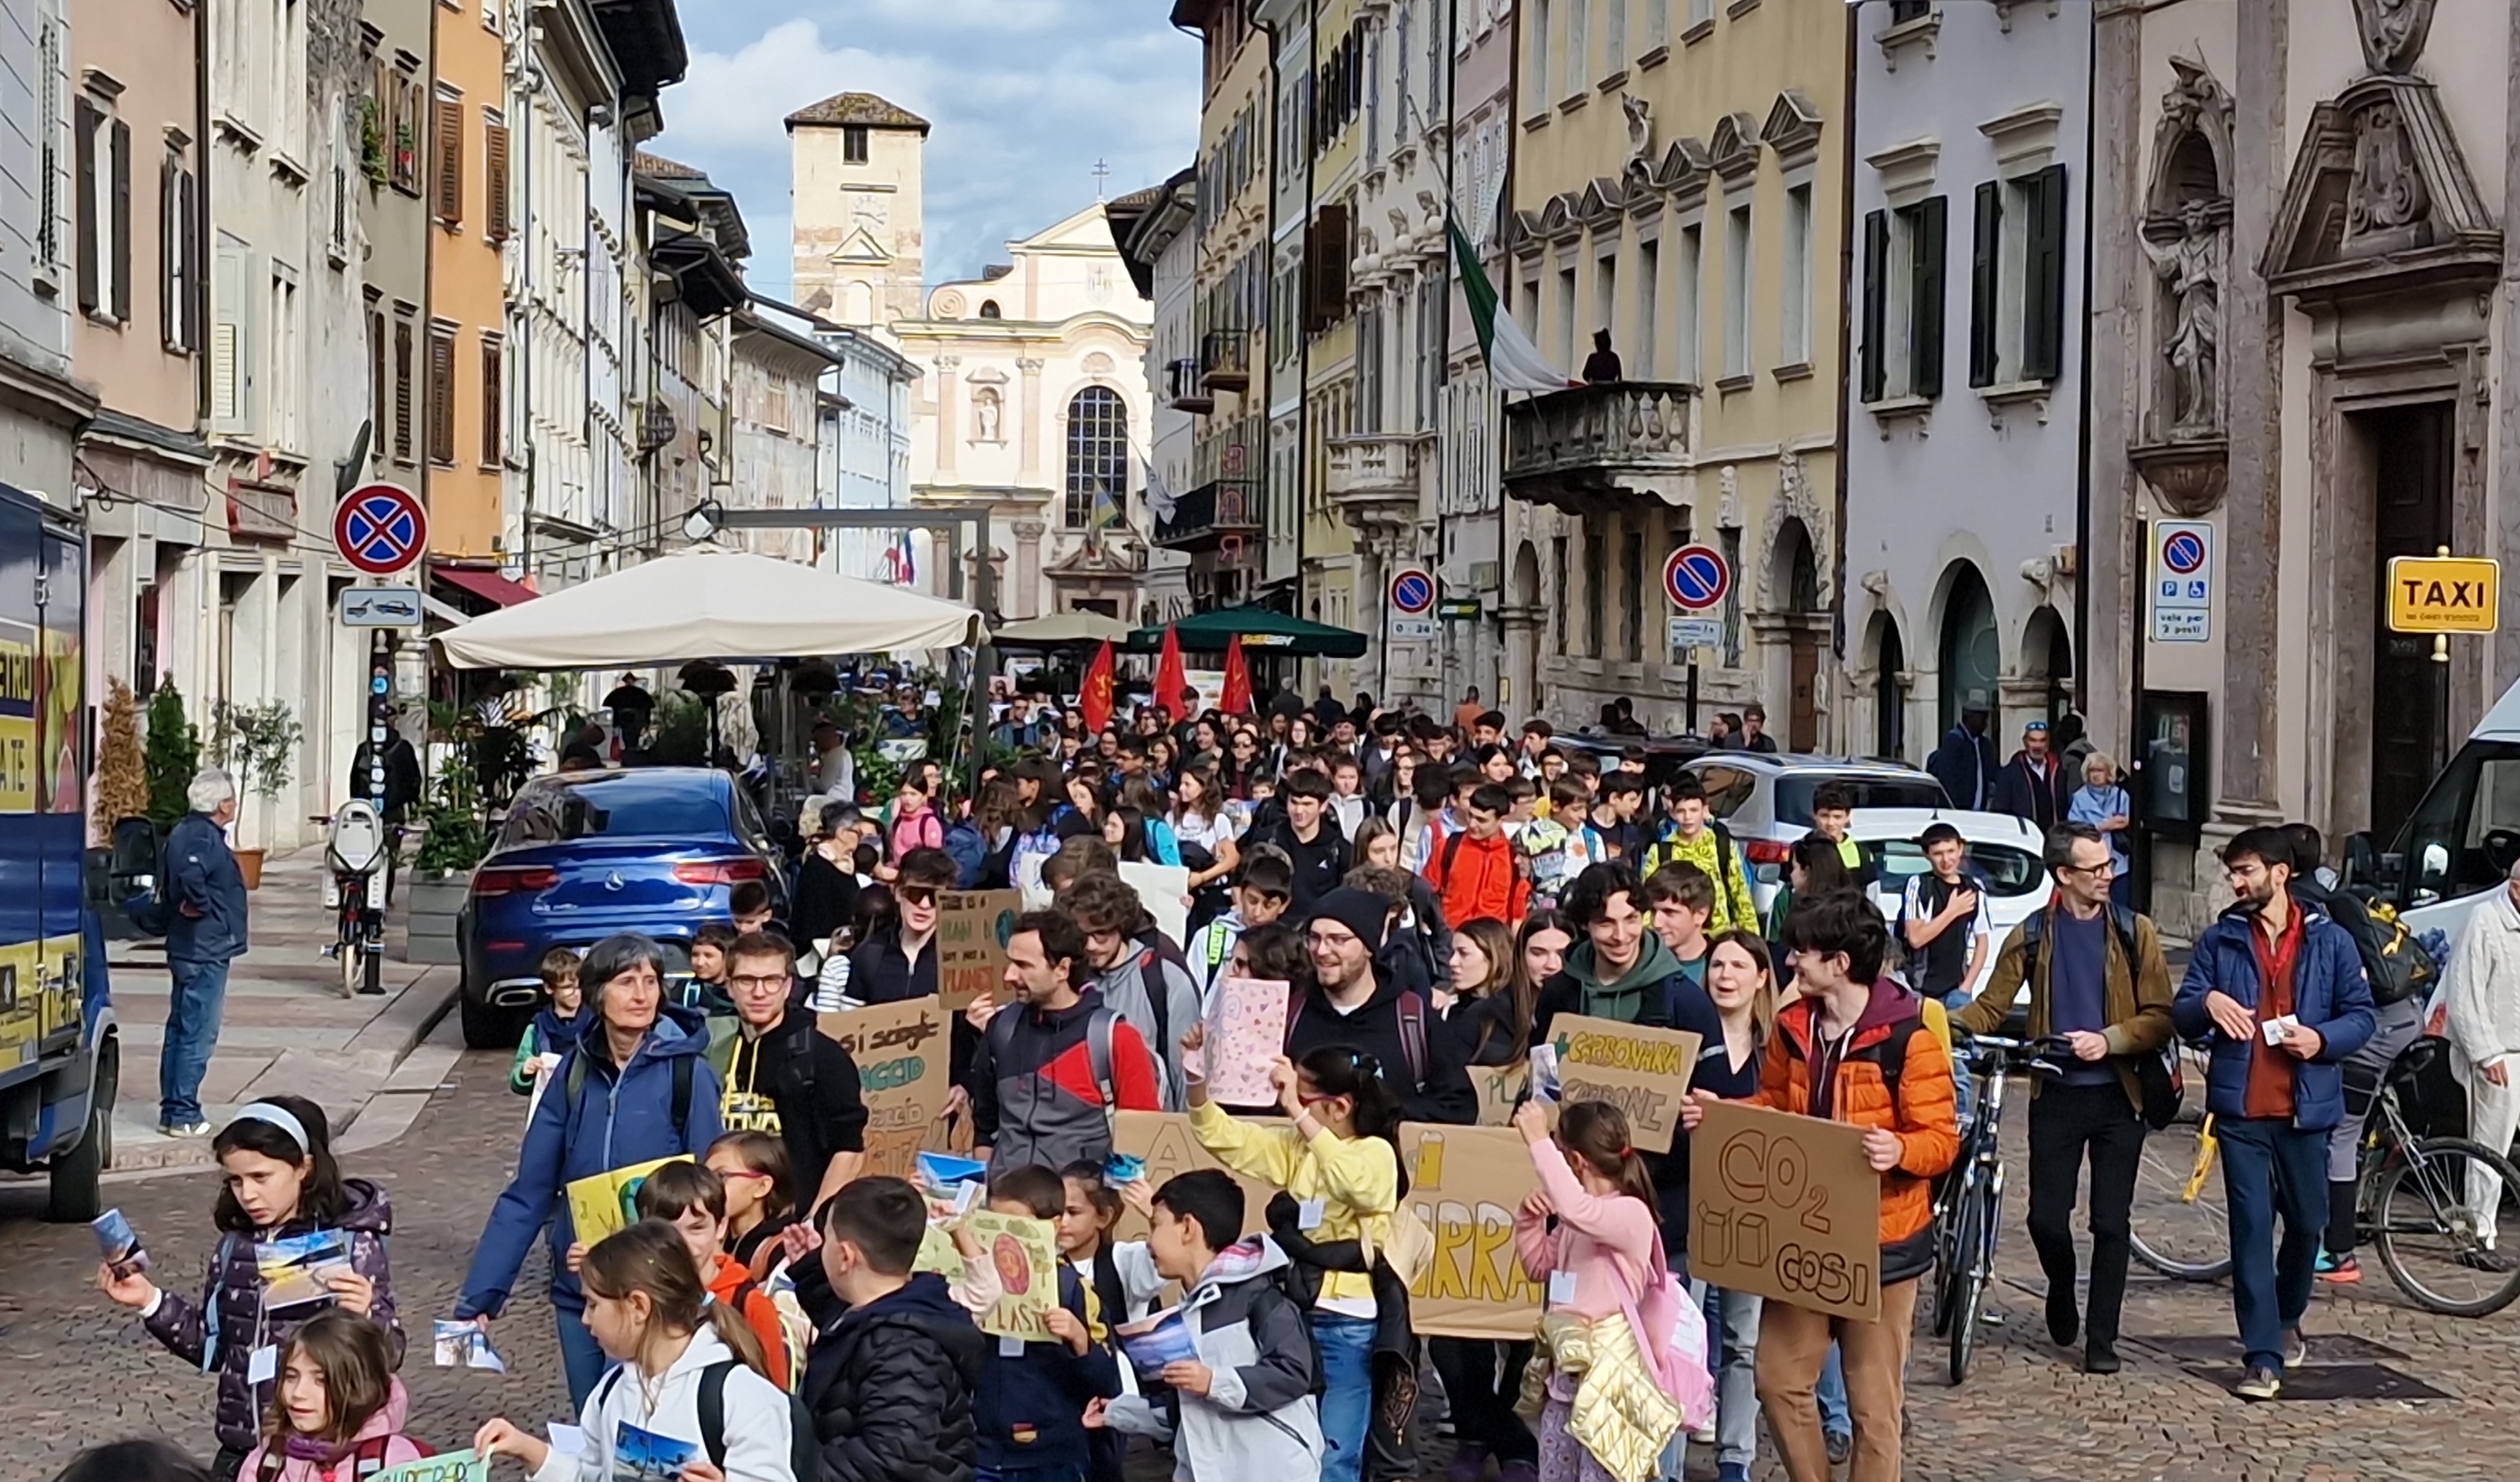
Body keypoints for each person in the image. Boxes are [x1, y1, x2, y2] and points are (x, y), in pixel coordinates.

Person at [1685, 892, 1956, 1482]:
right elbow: (1775, 1105)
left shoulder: (1909, 1036)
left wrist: (1900, 1148)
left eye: (1802, 951)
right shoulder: (1791, 1026)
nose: (1790, 961)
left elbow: (1940, 1138)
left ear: (1838, 961)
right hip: (1806, 1235)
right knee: (1779, 1375)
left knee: (1872, 1408)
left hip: (1882, 1244)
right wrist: (1726, 1114)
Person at [456, 932, 726, 1408]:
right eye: (627, 982)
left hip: (652, 1293)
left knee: (641, 1429)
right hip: (580, 1289)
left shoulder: (688, 1073)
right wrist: (480, 1298)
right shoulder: (573, 1074)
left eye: (651, 981)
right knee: (593, 1426)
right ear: (597, 993)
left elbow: (707, 1192)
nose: (642, 995)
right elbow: (530, 1191)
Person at [1951, 823, 2174, 1373]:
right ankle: (2060, 1284)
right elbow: (1991, 1007)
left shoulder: (2133, 931)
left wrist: (2111, 1039)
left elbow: (2161, 1016)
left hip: (2119, 1096)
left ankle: (2103, 1341)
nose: (2107, 876)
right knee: (2046, 1220)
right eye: (2095, 869)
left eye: (2108, 866)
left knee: (2111, 1222)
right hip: (2057, 1092)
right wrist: (1937, 1021)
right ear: (2064, 875)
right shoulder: (2031, 934)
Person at [2170, 826, 2375, 1400]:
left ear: (2279, 873)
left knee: (2308, 1223)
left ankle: (2287, 1315)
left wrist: (2321, 1038)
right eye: (2233, 872)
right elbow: (2183, 1011)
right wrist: (2206, 1001)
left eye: (2246, 871)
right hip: (2241, 1110)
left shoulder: (2329, 940)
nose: (2237, 882)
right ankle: (2261, 1354)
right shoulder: (2221, 938)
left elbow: (2361, 1014)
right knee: (2252, 1229)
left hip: (2307, 1110)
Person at [101, 1097, 399, 1476]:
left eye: (261, 1177)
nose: (248, 1194)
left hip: (318, 1455)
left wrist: (368, 1316)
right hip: (242, 1452)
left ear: (303, 1169)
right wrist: (149, 1301)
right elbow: (214, 1348)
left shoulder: (353, 1244)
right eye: (236, 1180)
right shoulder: (234, 1247)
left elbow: (389, 1356)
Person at [1186, 1040, 1403, 1482]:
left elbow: (1356, 1185)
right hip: (1299, 1309)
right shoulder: (1300, 1147)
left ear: (1339, 1107)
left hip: (1349, 1322)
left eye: (1304, 1098)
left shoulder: (1376, 1152)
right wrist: (1196, 1081)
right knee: (1293, 1442)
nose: (1291, 1107)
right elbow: (1230, 1140)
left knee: (1336, 1451)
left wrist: (1300, 1116)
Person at [475, 1221, 799, 1482]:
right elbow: (591, 1476)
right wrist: (529, 1450)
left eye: (593, 1304)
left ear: (638, 1306)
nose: (585, 1318)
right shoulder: (611, 1391)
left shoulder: (739, 1395)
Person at [2275, 824, 2429, 1286]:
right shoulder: (2333, 887)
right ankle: (2378, 1156)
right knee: (2355, 1117)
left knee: (2341, 1133)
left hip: (2379, 1025)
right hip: (2406, 1013)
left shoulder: (2303, 903)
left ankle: (2339, 1253)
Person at [1102, 1169, 1327, 1480]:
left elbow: (1294, 1373)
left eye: (1155, 1224)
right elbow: (1182, 1414)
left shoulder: (1260, 1296)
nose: (1149, 1241)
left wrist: (1213, 1381)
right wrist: (1115, 1412)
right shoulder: (1186, 1310)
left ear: (1188, 1228)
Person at [1510, 1098, 1676, 1482]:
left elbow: (1579, 1210)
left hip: (1610, 1385)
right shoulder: (1576, 1218)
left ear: (1576, 1161)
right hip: (1564, 1382)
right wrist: (1530, 1218)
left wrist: (1538, 1143)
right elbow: (1539, 1266)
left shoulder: (1630, 1214)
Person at [802, 1176, 992, 1482]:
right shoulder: (893, 1311)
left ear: (846, 1256)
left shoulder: (905, 1347)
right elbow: (848, 1328)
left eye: (827, 1239)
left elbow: (892, 1455)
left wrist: (792, 1467)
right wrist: (810, 1268)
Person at [966, 910, 1164, 1169]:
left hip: (1079, 1203)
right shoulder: (1002, 1028)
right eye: (1010, 963)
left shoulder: (1115, 1038)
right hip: (1006, 1199)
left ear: (1062, 969)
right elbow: (985, 1124)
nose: (1009, 976)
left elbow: (1142, 1142)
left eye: (1024, 966)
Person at [973, 1165, 1125, 1482]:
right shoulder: (975, 1283)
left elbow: (1107, 1380)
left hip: (1052, 1456)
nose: (1006, 1236)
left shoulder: (1074, 1288)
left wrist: (1079, 1339)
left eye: (1017, 1226)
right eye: (995, 1224)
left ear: (1052, 1226)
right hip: (984, 1453)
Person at [1693, 932, 1778, 1482]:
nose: (1725, 975)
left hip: (1752, 1211)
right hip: (1691, 1201)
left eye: (1737, 965)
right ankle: (1669, 1453)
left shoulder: (1778, 1047)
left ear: (1761, 977)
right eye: (1717, 964)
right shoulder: (1689, 1037)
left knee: (1744, 1340)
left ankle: (1735, 1457)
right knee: (1679, 1334)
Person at [1284, 887, 1479, 1124]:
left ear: (1369, 947)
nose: (1322, 951)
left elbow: (1459, 1106)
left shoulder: (1411, 1018)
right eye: (1314, 938)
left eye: (1338, 940)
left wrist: (1381, 1113)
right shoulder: (1290, 1013)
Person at [711, 931, 868, 1215]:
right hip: (720, 1221)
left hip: (793, 1223)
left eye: (771, 981)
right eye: (746, 980)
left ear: (787, 987)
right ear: (729, 986)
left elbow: (850, 1150)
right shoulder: (713, 1049)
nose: (759, 993)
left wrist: (814, 1221)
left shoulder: (823, 1056)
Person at [636, 1161, 796, 1384]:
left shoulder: (750, 1304)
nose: (683, 1244)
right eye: (668, 1231)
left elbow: (775, 1395)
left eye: (697, 1228)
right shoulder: (639, 1297)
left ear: (721, 1227)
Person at [160, 767, 250, 1137]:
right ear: (222, 805)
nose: (234, 806)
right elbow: (191, 874)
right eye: (231, 800)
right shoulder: (201, 838)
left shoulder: (189, 832)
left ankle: (175, 1108)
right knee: (197, 1032)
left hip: (193, 946)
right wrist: (200, 904)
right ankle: (183, 1112)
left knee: (181, 1028)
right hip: (203, 948)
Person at [234, 1309, 428, 1482]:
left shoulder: (394, 1461)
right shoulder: (265, 1465)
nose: (298, 1393)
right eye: (291, 1377)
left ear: (358, 1387)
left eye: (321, 1380)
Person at [1063, 873, 1205, 1105]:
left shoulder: (1166, 980)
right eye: (1083, 935)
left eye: (1101, 933)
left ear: (1121, 927)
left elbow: (1184, 1073)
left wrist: (1182, 1137)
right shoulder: (1071, 977)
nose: (1090, 945)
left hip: (1150, 1128)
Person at [2446, 853, 2520, 1257]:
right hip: (2499, 1053)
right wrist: (2485, 1053)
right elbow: (2465, 994)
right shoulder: (2484, 921)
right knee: (2489, 1147)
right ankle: (2478, 1233)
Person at [1639, 774, 1758, 937]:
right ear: (1673, 813)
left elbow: (1741, 898)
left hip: (1718, 937)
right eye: (1681, 811)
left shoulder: (1722, 847)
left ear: (1704, 810)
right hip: (1676, 940)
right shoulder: (1661, 852)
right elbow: (1648, 901)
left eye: (1693, 810)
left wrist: (1752, 941)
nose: (1688, 817)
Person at [1898, 823, 1993, 1010]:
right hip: (1921, 990)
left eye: (1951, 851)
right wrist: (1952, 911)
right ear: (1926, 855)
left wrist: (1966, 987)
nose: (1946, 860)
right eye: (1938, 853)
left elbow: (1983, 940)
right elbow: (1915, 938)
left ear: (1960, 850)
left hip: (1958, 990)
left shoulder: (1973, 887)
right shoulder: (1918, 885)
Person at [1187, 847, 1295, 1002]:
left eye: (1268, 905)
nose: (1257, 913)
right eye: (1252, 900)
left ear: (1284, 905)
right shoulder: (1209, 938)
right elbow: (1190, 998)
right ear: (1240, 893)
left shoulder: (1289, 950)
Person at [1247, 768, 1352, 912]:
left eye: (1307, 804)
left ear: (1323, 806)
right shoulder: (1267, 839)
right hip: (1273, 927)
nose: (1299, 811)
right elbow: (1241, 884)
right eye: (1294, 803)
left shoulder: (1339, 849)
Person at [1424, 783, 1528, 925]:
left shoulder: (1514, 859)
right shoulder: (1447, 847)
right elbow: (1426, 895)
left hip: (1492, 941)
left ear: (1501, 820)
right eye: (1470, 815)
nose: (1472, 824)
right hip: (1450, 938)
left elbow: (1517, 914)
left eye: (1481, 820)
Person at [709, 1130, 798, 1275]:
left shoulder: (782, 1248)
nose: (708, 1186)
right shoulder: (710, 1240)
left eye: (721, 1176)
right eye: (705, 1175)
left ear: (762, 1186)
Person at [512, 947, 587, 1096]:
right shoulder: (537, 1028)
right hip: (550, 1105)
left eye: (579, 987)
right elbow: (517, 1079)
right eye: (567, 987)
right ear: (549, 988)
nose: (576, 993)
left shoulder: (595, 1022)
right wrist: (524, 1072)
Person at [795, 801, 865, 954]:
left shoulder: (847, 864)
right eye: (858, 832)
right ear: (842, 833)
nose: (861, 838)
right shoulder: (817, 868)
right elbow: (811, 921)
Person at [2067, 754, 2133, 907]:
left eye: (2100, 770)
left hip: (2118, 861)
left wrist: (2095, 825)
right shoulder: (2079, 797)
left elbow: (2127, 820)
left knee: (2119, 906)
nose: (2096, 775)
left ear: (2108, 772)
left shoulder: (2120, 795)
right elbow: (2075, 827)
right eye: (2092, 771)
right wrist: (2104, 826)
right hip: (2091, 861)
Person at [1640, 864, 1716, 985]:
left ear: (1700, 915)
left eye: (1669, 912)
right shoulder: (1643, 964)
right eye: (1653, 911)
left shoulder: (1723, 967)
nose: (1656, 923)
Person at [1991, 719, 2069, 830]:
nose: (2037, 746)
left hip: (2053, 836)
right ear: (2025, 742)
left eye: (2042, 740)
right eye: (2033, 740)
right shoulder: (2010, 773)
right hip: (2024, 837)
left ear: (2047, 743)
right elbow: (2000, 809)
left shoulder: (2059, 771)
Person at [1926, 702, 2000, 812]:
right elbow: (1948, 780)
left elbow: (1992, 772)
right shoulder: (1954, 742)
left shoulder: (1985, 745)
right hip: (1958, 810)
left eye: (1986, 718)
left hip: (1981, 809)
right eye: (1981, 718)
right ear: (1968, 717)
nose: (1985, 723)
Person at [605, 673, 656, 749]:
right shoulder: (640, 694)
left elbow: (616, 710)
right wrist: (646, 723)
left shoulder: (620, 694)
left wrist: (615, 724)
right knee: (629, 738)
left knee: (629, 738)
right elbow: (646, 709)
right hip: (633, 722)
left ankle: (630, 749)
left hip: (630, 722)